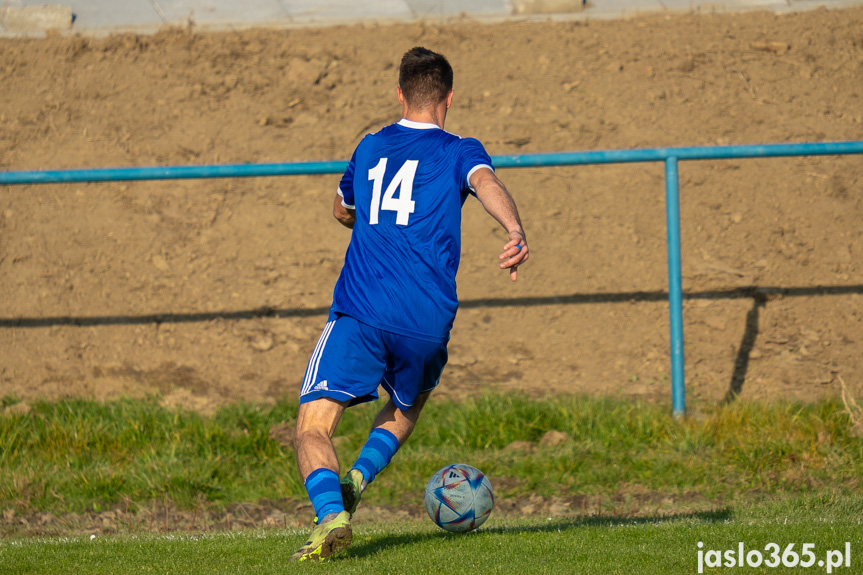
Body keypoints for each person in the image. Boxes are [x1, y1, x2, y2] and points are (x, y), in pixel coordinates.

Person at [290, 46, 529, 562]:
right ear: (448, 98)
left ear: (400, 94)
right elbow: (485, 182)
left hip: (362, 308)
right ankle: (357, 476)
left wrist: (367, 220)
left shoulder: (371, 145)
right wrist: (513, 229)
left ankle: (331, 514)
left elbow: (341, 209)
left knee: (313, 425)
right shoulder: (461, 149)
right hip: (426, 319)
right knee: (407, 400)